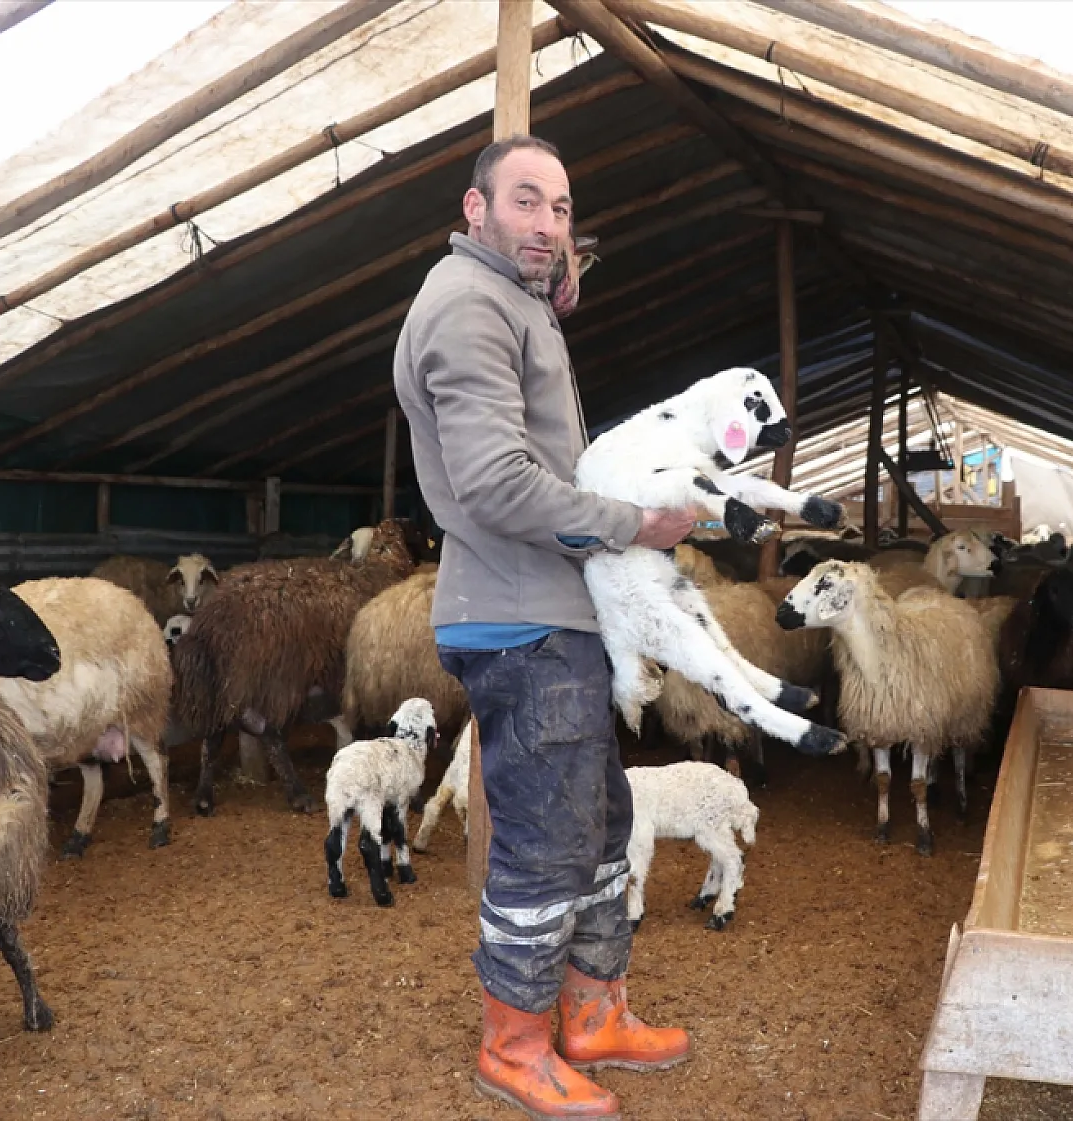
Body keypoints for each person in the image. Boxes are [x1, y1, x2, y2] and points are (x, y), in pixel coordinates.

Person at [393, 135, 694, 1120]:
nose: (548, 224)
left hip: (552, 612)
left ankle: (594, 1010)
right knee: (542, 839)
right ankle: (513, 1044)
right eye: (526, 202)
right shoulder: (467, 302)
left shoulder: (510, 302)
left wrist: (543, 297)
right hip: (517, 617)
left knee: (599, 822)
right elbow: (489, 478)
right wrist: (634, 525)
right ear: (473, 209)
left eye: (561, 208)